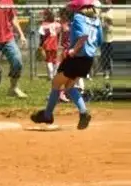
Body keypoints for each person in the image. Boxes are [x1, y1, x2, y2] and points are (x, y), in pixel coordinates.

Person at [31, 0, 103, 130]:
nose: (71, 11)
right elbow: (99, 40)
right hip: (88, 59)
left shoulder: (79, 17)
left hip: (75, 58)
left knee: (56, 83)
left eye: (73, 8)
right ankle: (83, 113)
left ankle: (47, 115)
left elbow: (84, 36)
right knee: (69, 87)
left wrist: (73, 50)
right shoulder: (96, 21)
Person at [38, 8, 62, 80]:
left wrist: (40, 45)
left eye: (45, 15)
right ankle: (54, 74)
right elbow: (59, 34)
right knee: (55, 60)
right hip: (55, 44)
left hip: (47, 44)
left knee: (49, 60)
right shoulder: (57, 24)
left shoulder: (43, 25)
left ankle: (51, 75)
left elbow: (41, 36)